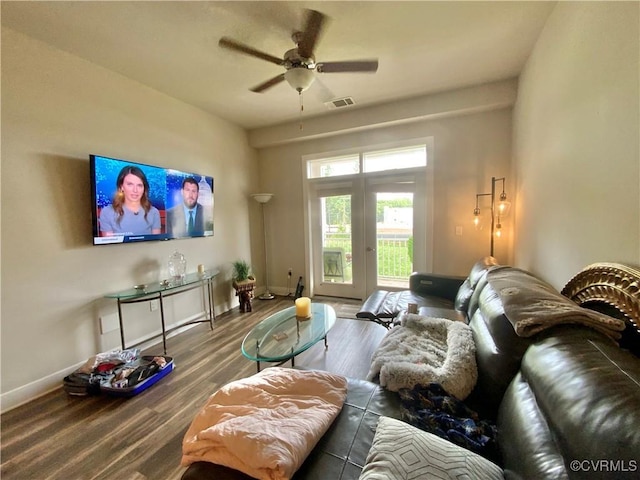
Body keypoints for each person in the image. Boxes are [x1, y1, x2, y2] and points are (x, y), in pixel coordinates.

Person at [99, 165, 161, 236]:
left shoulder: (153, 212)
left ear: (144, 189)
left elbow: (156, 244)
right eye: (130, 184)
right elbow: (108, 245)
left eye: (139, 185)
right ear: (121, 186)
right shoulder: (107, 212)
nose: (135, 190)